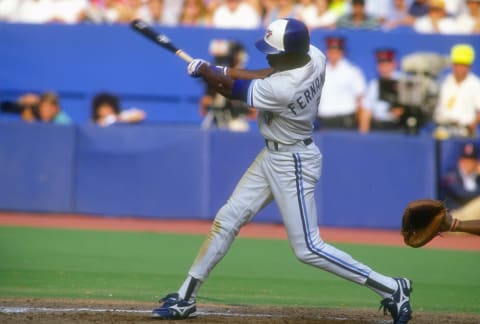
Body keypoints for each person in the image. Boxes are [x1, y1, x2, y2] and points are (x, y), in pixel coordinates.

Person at [151, 18, 413, 324]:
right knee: (228, 218)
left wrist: (206, 73)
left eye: (274, 51)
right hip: (273, 154)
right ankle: (185, 297)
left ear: (289, 53)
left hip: (293, 162)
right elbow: (266, 73)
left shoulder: (285, 89)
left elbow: (232, 92)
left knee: (308, 248)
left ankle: (392, 288)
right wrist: (221, 70)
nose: (269, 55)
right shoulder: (314, 55)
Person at [200, 39, 255, 131]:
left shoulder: (244, 77)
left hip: (235, 121)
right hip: (218, 119)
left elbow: (253, 113)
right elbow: (205, 103)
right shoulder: (218, 74)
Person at [316, 36, 366, 130]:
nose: (333, 54)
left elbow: (360, 98)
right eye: (331, 50)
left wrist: (360, 124)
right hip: (324, 120)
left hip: (345, 119)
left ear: (342, 52)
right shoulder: (321, 71)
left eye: (336, 51)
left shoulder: (352, 71)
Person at [433, 44, 480, 139]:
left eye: (463, 65)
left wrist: (473, 124)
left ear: (469, 67)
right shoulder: (444, 81)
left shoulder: (476, 84)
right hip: (443, 128)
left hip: (464, 131)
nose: (460, 69)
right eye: (457, 65)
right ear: (453, 65)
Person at [359, 49, 406, 133]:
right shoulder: (374, 84)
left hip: (397, 127)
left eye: (387, 64)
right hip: (378, 127)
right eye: (381, 64)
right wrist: (363, 135)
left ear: (394, 64)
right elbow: (366, 110)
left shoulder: (403, 82)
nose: (384, 67)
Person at [440, 142, 480, 221]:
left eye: (471, 161)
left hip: (473, 218)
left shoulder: (477, 177)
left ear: (476, 163)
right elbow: (462, 194)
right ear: (459, 161)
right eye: (464, 160)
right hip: (454, 216)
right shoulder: (450, 175)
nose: (467, 164)